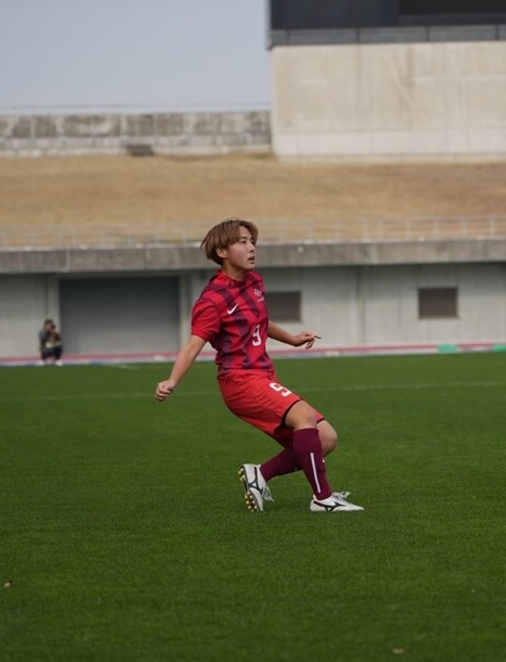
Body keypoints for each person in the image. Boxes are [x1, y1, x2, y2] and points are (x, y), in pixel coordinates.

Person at [155, 218, 363, 513]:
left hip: (263, 375)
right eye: (242, 242)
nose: (251, 247)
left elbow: (259, 322)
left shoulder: (254, 282)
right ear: (223, 252)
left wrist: (291, 339)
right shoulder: (212, 301)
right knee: (304, 416)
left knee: (326, 438)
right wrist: (171, 380)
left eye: (252, 242)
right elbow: (193, 345)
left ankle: (259, 475)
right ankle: (323, 499)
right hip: (239, 382)